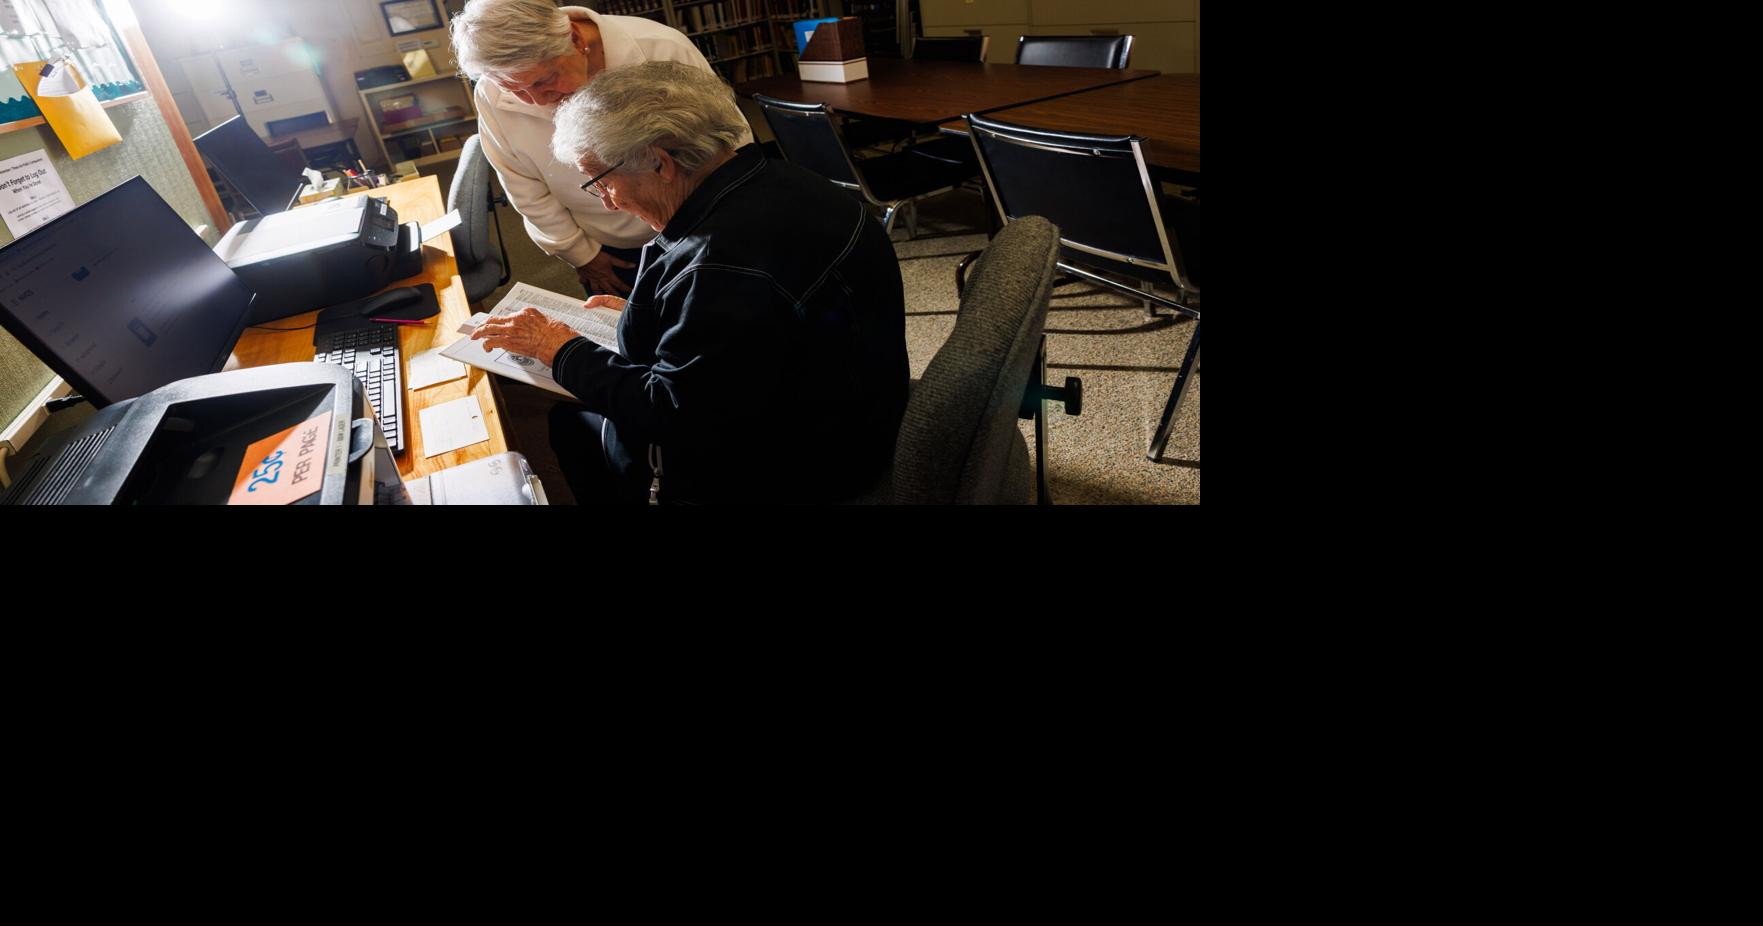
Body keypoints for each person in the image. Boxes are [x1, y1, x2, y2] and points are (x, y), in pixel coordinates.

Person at [469, 62, 907, 504]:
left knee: (567, 426)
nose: (608, 202)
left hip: (799, 466)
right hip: (852, 410)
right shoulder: (791, 182)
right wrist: (663, 313)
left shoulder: (720, 268)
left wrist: (556, 346)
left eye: (601, 181)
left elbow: (672, 414)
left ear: (661, 163)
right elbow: (756, 331)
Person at [449, 0, 749, 297]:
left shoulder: (658, 46)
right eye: (515, 90)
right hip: (608, 250)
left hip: (707, 228)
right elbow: (522, 186)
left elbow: (730, 144)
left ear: (575, 39)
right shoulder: (492, 92)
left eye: (544, 80)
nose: (536, 101)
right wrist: (581, 254)